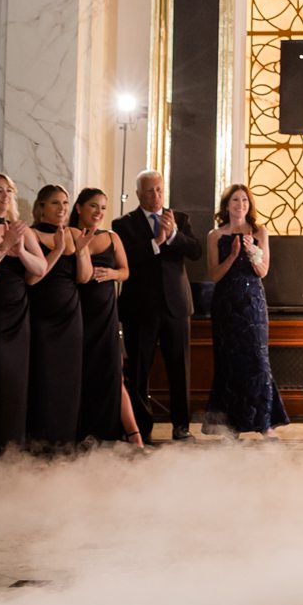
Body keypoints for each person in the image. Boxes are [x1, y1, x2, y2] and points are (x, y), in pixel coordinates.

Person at [113, 173, 199, 444]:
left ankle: (181, 427)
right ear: (138, 194)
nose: (155, 195)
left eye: (159, 190)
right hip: (141, 307)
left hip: (176, 305)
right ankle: (141, 428)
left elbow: (196, 251)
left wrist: (172, 235)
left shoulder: (180, 219)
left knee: (180, 368)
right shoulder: (123, 224)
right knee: (139, 370)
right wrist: (156, 242)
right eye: (149, 191)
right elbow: (127, 257)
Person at [0, 172, 47, 454]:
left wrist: (20, 251)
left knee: (15, 378)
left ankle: (12, 447)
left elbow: (40, 269)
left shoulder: (21, 229)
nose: (5, 197)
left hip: (18, 312)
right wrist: (4, 249)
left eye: (9, 191)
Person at [205, 185, 286, 438]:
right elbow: (214, 275)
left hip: (252, 303)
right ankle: (232, 425)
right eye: (235, 200)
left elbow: (263, 271)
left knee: (257, 360)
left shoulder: (259, 231)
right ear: (226, 205)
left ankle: (264, 423)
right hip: (226, 304)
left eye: (244, 200)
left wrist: (251, 251)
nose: (240, 205)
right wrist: (232, 256)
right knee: (228, 360)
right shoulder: (215, 235)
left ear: (249, 205)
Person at [70, 189, 136, 446]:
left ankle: (115, 433)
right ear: (79, 208)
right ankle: (83, 432)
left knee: (111, 373)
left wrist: (112, 274)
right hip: (78, 315)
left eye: (103, 208)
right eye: (93, 206)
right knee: (83, 373)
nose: (98, 212)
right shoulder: (70, 235)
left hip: (106, 315)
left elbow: (126, 271)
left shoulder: (112, 237)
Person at [27, 185, 87, 449]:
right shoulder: (31, 233)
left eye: (65, 203)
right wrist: (57, 249)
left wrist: (81, 249)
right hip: (41, 312)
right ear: (41, 207)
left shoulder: (73, 234)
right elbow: (33, 277)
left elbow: (83, 278)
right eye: (55, 203)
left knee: (68, 378)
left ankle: (65, 440)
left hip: (70, 313)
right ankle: (41, 440)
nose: (62, 208)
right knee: (43, 376)